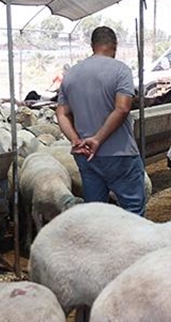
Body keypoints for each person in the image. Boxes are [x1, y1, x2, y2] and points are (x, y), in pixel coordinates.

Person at [56, 26, 147, 216]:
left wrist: (75, 140)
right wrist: (97, 139)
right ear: (115, 46)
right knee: (132, 212)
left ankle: (98, 245)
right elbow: (122, 107)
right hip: (119, 153)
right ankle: (133, 246)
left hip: (86, 155)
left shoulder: (71, 74)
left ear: (92, 46)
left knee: (95, 213)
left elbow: (62, 114)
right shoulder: (121, 70)